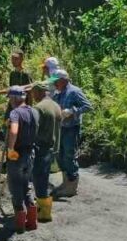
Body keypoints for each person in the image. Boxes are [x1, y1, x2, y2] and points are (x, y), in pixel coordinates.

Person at [51, 69, 93, 197]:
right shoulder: (59, 92)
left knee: (69, 155)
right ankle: (66, 183)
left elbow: (88, 106)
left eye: (56, 81)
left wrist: (72, 111)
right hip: (61, 127)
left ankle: (72, 186)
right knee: (60, 155)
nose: (54, 84)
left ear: (63, 80)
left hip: (72, 128)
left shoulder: (74, 91)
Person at [5, 86, 39, 232]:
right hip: (30, 152)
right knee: (26, 185)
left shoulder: (15, 113)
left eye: (10, 99)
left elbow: (14, 131)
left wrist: (10, 149)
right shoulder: (34, 111)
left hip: (18, 154)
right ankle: (32, 222)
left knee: (15, 186)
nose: (10, 102)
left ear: (14, 98)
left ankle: (20, 224)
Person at [29, 81, 63, 222]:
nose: (33, 96)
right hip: (53, 148)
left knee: (39, 179)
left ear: (39, 92)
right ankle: (44, 209)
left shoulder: (39, 108)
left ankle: (44, 213)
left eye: (33, 93)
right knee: (44, 177)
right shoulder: (56, 106)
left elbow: (33, 129)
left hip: (41, 147)